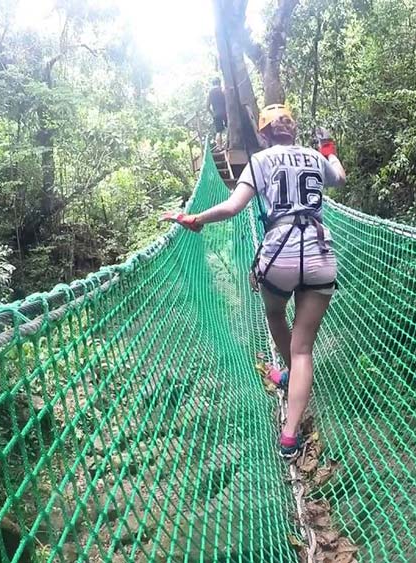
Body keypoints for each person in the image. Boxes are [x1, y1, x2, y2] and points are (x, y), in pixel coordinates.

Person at [163, 104, 347, 459]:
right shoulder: (313, 157)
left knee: (276, 316)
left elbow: (233, 207)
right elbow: (339, 176)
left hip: (279, 256)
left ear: (263, 135)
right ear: (293, 131)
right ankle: (290, 437)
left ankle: (292, 377)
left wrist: (195, 218)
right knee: (304, 348)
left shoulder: (259, 162)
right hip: (321, 253)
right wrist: (329, 151)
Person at [207, 77, 228, 148]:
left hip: (216, 113)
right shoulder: (222, 89)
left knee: (219, 132)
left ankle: (219, 147)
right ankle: (230, 143)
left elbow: (207, 106)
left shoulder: (210, 92)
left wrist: (212, 114)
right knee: (229, 127)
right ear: (219, 82)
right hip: (225, 112)